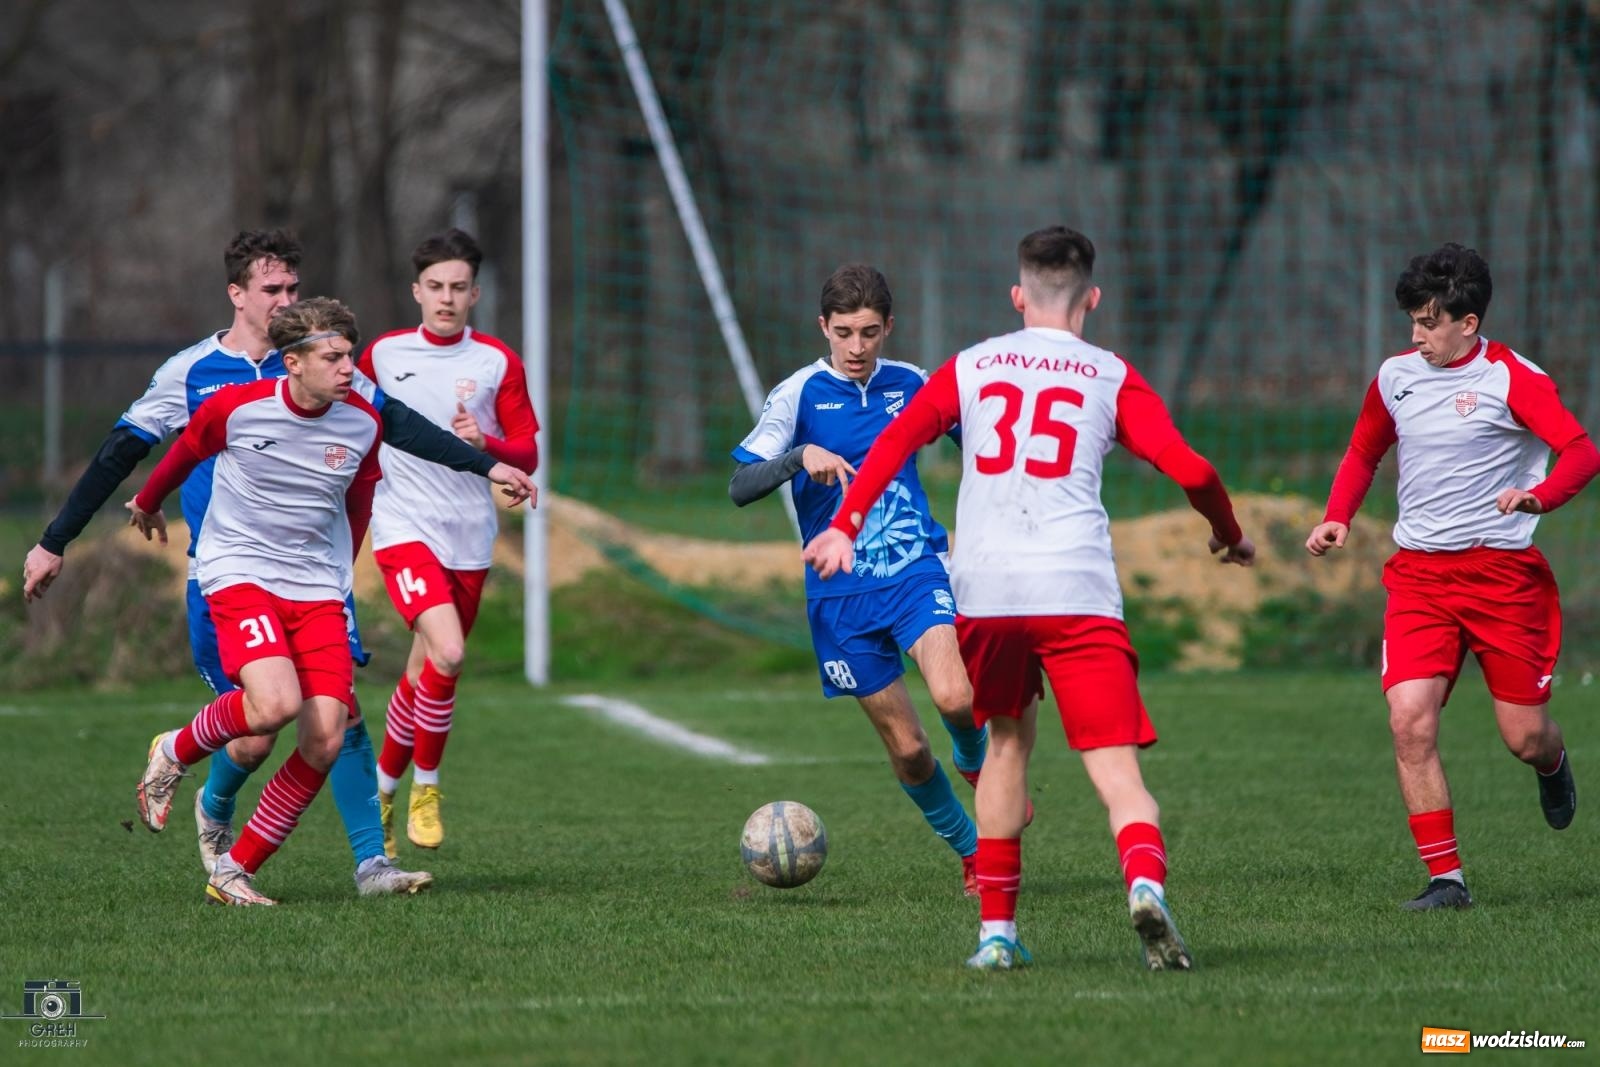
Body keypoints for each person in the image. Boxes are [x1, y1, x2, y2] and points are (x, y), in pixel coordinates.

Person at [20, 229, 534, 896]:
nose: (285, 298)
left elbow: (404, 431)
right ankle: (212, 802)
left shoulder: (339, 380)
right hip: (225, 576)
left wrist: (492, 463)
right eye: (272, 289)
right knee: (260, 727)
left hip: (315, 577)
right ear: (238, 295)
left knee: (336, 718)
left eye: (294, 287)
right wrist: (56, 540)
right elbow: (124, 454)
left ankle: (368, 861)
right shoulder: (199, 376)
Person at [803, 228, 1255, 971]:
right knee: (1117, 773)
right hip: (1075, 590)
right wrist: (1228, 533)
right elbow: (1194, 469)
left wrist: (846, 524)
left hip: (986, 591)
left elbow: (892, 445)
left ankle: (997, 936)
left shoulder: (970, 365)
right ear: (1092, 298)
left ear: (1018, 297)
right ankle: (1143, 881)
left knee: (1007, 747)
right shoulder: (1110, 374)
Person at [130, 298, 461, 904]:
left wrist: (342, 574)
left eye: (350, 357)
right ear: (293, 363)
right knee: (271, 707)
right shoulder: (236, 406)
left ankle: (234, 871)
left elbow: (359, 503)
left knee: (327, 736)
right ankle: (174, 749)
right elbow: (182, 454)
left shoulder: (362, 421)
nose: (348, 369)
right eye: (333, 358)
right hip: (240, 572)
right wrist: (148, 501)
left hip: (315, 588)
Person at [1305, 243, 1595, 911]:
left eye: (1430, 321)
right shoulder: (1395, 376)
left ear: (1469, 321)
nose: (1417, 335)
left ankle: (1551, 761)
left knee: (1523, 734)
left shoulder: (1514, 378)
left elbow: (1581, 450)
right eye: (1412, 319)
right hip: (1419, 580)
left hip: (1502, 578)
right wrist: (1337, 516)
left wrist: (1539, 496)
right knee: (1409, 720)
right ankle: (1447, 880)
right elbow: (1364, 448)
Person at [731, 264, 988, 896]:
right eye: (843, 332)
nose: (855, 347)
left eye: (869, 332)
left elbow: (985, 446)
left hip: (915, 569)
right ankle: (972, 852)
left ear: (888, 328)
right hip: (839, 594)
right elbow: (739, 485)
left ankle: (984, 771)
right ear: (823, 327)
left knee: (956, 697)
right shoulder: (798, 394)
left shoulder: (913, 385)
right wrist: (798, 457)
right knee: (908, 750)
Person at [359, 228, 539, 855]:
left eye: (458, 287)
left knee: (427, 668)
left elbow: (528, 451)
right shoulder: (381, 355)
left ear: (475, 294)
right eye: (435, 286)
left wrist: (488, 444)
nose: (446, 297)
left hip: (471, 535)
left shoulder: (496, 361)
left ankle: (380, 790)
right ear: (416, 291)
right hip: (403, 525)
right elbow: (344, 414)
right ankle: (426, 788)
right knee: (452, 653)